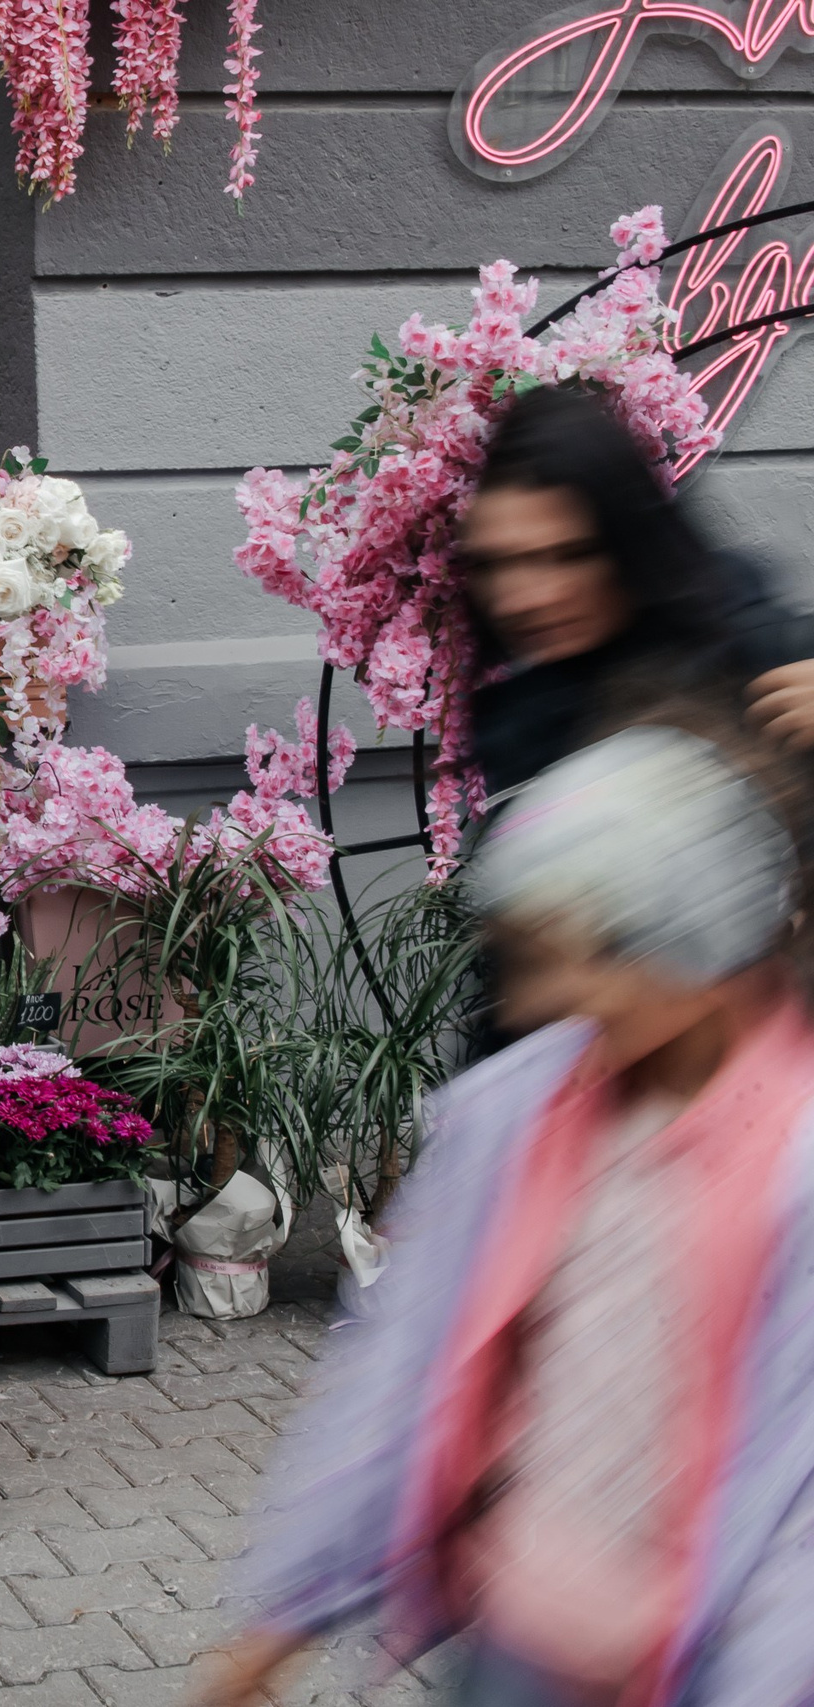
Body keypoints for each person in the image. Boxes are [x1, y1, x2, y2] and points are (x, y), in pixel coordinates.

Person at [199, 716, 814, 1707]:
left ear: (695, 950)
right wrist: (288, 1612)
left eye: (571, 960)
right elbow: (401, 1372)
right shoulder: (514, 1117)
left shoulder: (795, 1171)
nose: (538, 1002)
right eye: (528, 960)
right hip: (514, 1636)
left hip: (706, 1667)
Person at [461, 383, 806, 801]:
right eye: (495, 563)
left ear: (630, 544)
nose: (522, 600)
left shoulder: (765, 659)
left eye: (571, 555)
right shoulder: (516, 731)